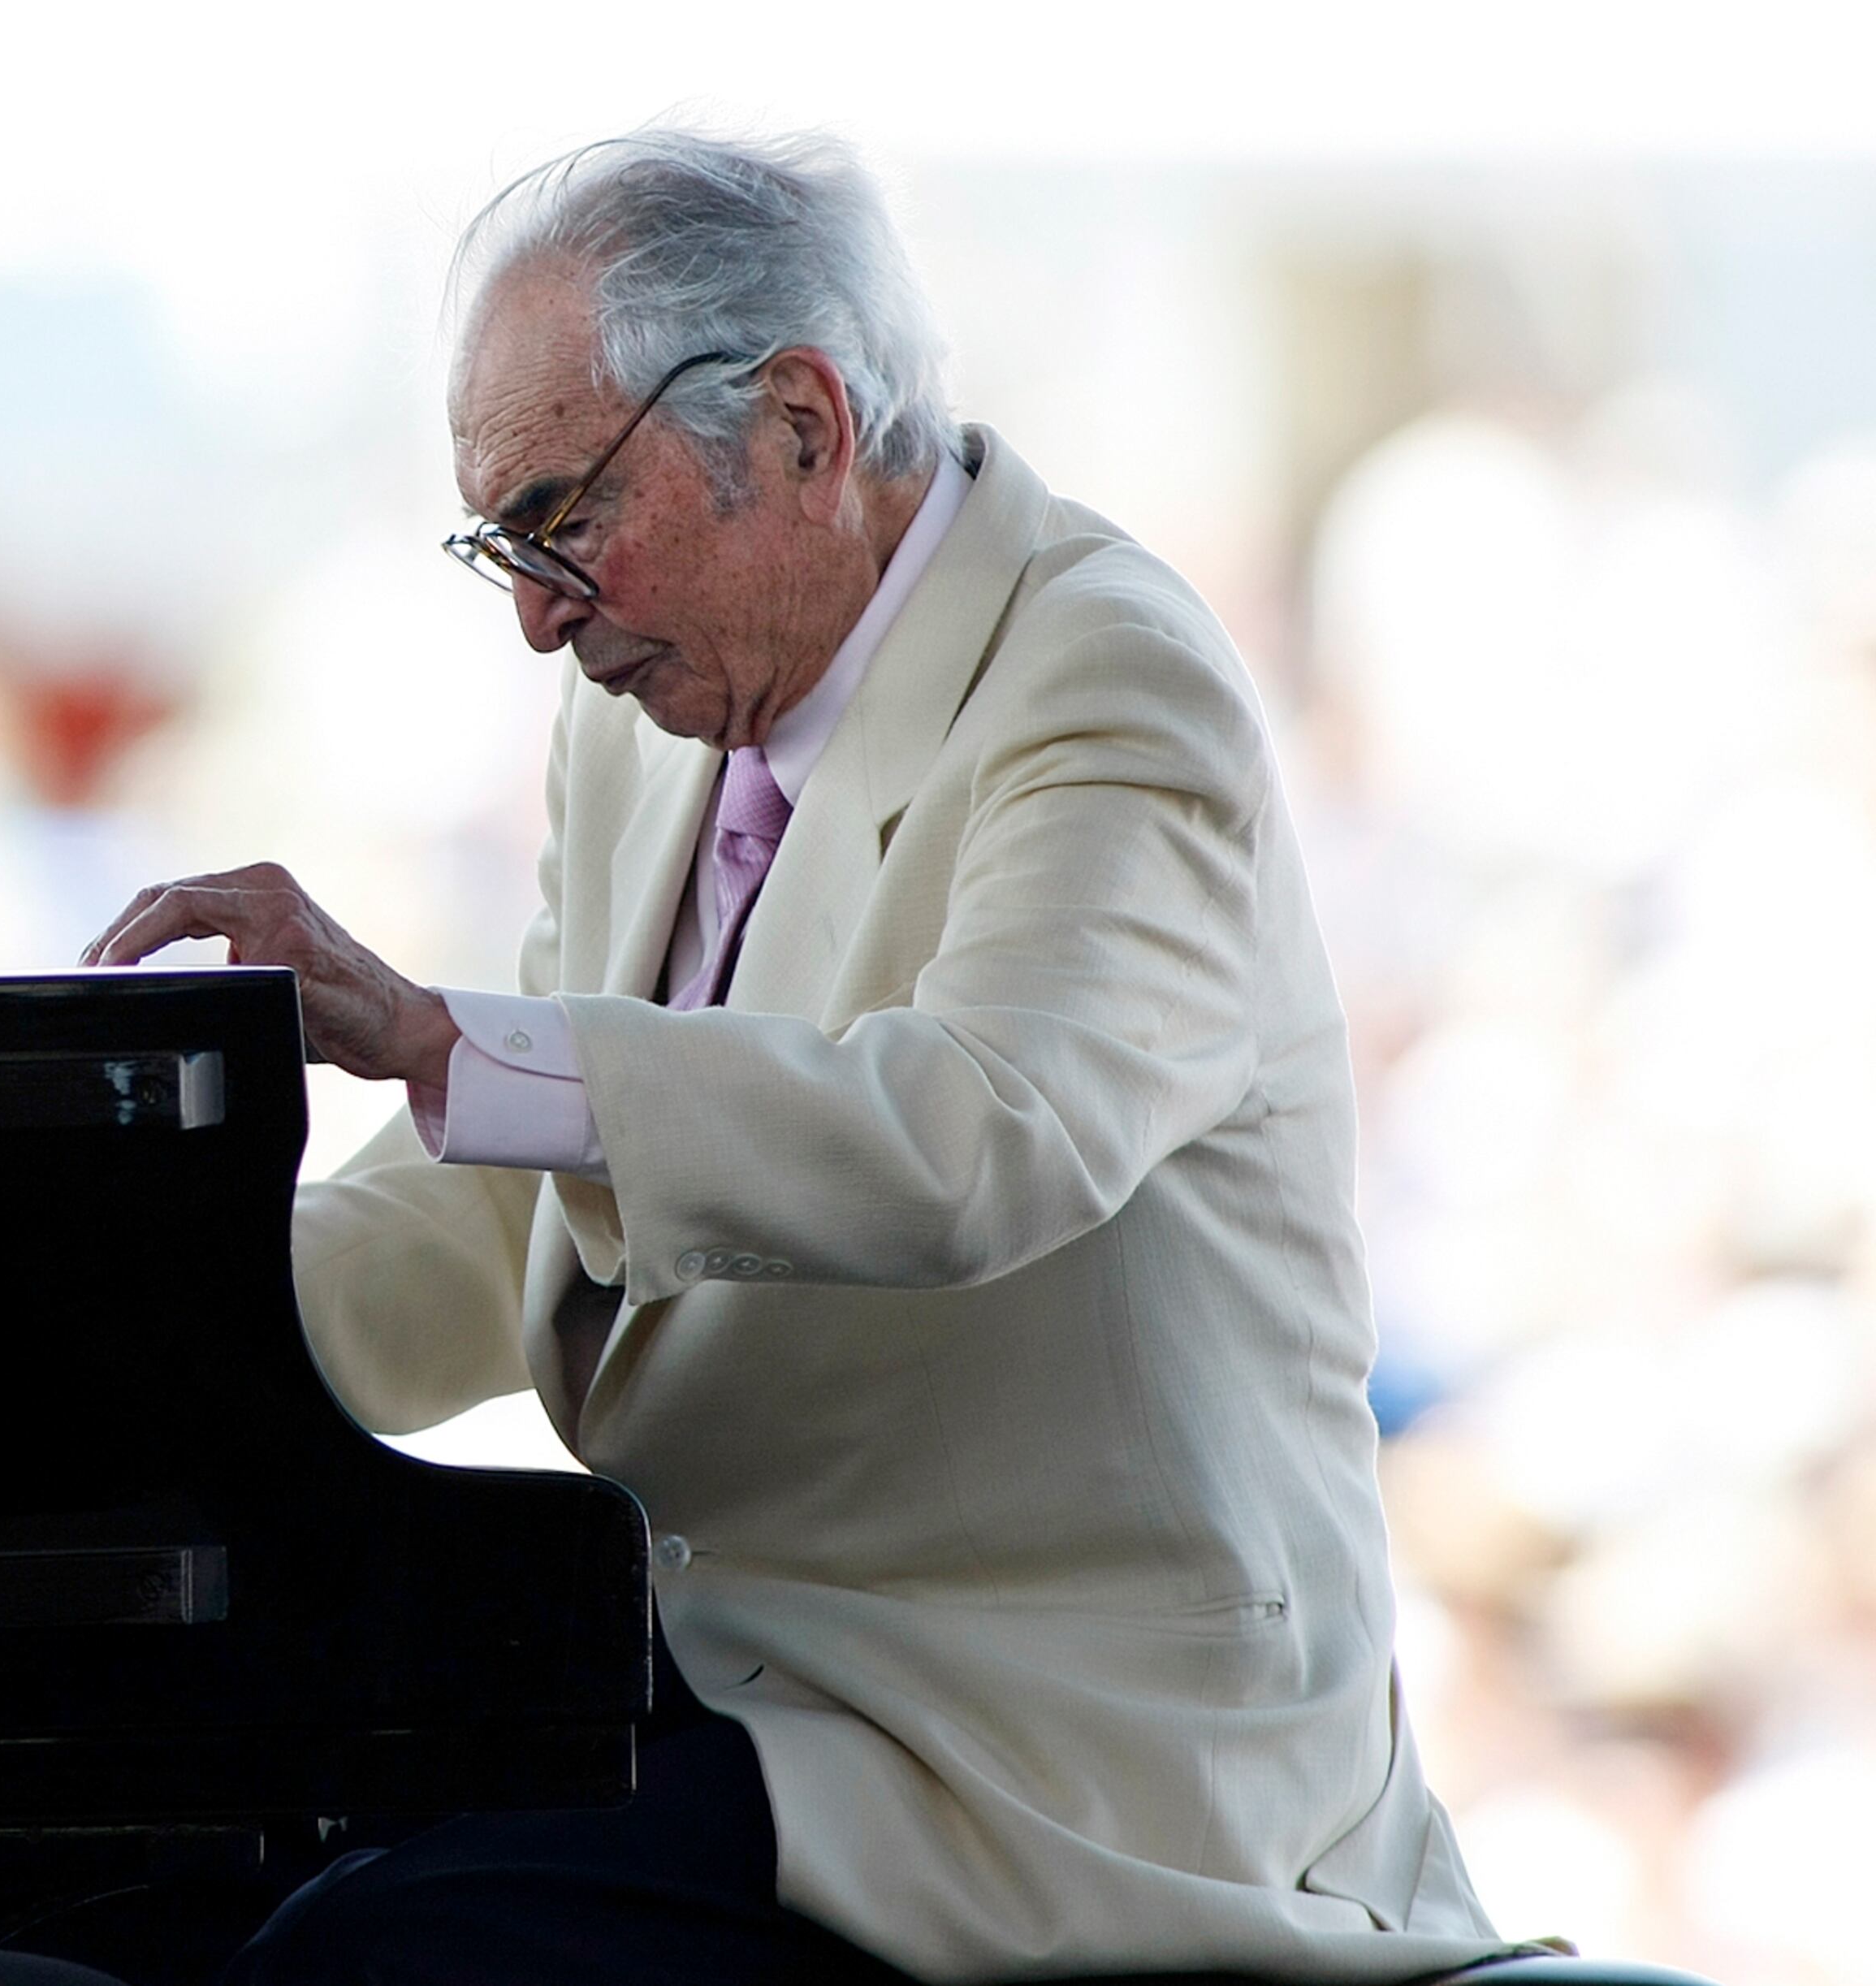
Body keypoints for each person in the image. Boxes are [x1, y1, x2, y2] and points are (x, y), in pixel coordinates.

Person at [86, 132, 1512, 1986]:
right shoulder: (648, 721)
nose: (534, 609)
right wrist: (117, 1338)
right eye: (500, 540)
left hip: (1063, 1740)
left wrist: (434, 1037)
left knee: (379, 1961)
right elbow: (520, 1199)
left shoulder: (1106, 672)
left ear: (807, 427)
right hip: (750, 1677)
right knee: (173, 1898)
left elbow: (981, 1133)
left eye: (563, 516)